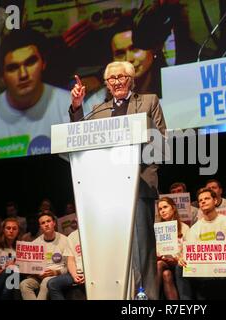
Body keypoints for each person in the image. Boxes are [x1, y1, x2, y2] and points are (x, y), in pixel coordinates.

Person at [69, 60, 167, 300]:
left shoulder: (148, 101)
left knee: (142, 249)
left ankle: (147, 301)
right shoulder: (100, 109)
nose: (117, 82)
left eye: (122, 77)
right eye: (112, 79)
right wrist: (77, 106)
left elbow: (162, 143)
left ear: (131, 79)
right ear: (107, 84)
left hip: (138, 185)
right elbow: (80, 136)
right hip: (107, 189)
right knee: (113, 250)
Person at [0, 28, 69, 155]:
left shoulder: (70, 105)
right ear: (3, 75)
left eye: (30, 62)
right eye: (13, 68)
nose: (23, 74)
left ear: (43, 63)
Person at [176, 188, 226, 300]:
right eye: (200, 200)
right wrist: (182, 259)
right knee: (179, 267)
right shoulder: (195, 228)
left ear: (215, 201)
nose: (203, 201)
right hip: (204, 271)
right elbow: (189, 253)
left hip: (225, 268)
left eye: (207, 198)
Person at [19, 212, 71, 300]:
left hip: (58, 275)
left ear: (54, 223)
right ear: (40, 226)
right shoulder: (35, 243)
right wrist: (37, 273)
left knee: (46, 281)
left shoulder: (65, 240)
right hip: (40, 276)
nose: (46, 224)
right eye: (43, 223)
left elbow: (69, 266)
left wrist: (56, 272)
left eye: (48, 221)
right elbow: (30, 268)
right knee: (24, 284)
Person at [155, 197, 190, 300]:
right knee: (165, 272)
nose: (163, 211)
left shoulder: (184, 228)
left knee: (164, 270)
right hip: (164, 262)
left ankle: (150, 297)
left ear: (173, 208)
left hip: (180, 263)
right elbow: (156, 250)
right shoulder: (158, 229)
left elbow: (188, 249)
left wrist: (177, 258)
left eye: (165, 207)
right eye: (160, 209)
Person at [47, 228, 86, 300]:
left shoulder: (97, 233)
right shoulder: (72, 236)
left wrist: (88, 275)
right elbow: (71, 260)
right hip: (77, 272)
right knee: (52, 283)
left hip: (94, 273)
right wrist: (75, 275)